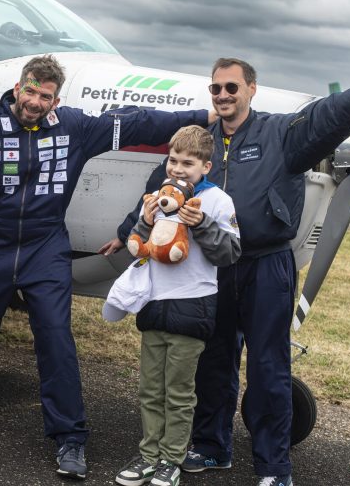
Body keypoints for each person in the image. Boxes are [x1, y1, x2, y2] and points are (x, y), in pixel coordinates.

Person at [103, 59, 350, 486]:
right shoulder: (201, 143)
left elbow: (320, 123)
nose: (223, 95)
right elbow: (164, 186)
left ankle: (274, 467)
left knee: (268, 366)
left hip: (266, 264)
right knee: (213, 361)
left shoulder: (279, 134)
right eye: (216, 88)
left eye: (232, 88)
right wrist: (127, 231)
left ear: (251, 90)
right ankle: (211, 446)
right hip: (213, 267)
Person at [0, 54, 215, 480]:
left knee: (55, 338)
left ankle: (70, 437)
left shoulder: (75, 126)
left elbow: (140, 122)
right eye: (29, 91)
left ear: (55, 99)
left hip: (45, 243)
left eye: (44, 96)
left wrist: (207, 115)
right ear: (18, 86)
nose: (34, 101)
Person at [106, 126, 240, 486]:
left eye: (188, 162)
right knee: (150, 389)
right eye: (174, 160)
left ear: (206, 166)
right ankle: (149, 455)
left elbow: (229, 254)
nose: (179, 169)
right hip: (155, 303)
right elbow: (141, 241)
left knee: (179, 392)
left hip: (193, 306)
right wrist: (145, 221)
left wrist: (204, 226)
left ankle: (172, 460)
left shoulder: (217, 202)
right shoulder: (158, 196)